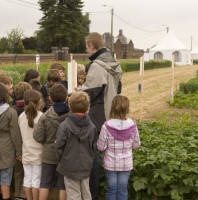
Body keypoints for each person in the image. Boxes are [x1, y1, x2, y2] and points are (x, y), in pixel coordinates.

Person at [82, 32, 122, 200]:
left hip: (98, 116)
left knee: (92, 155)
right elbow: (118, 90)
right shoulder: (115, 63)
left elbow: (90, 94)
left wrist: (77, 92)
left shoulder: (97, 65)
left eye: (87, 47)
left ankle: (92, 194)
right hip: (112, 113)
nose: (87, 50)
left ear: (91, 45)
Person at [97, 95, 141, 200]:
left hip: (110, 164)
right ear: (127, 109)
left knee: (111, 190)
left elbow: (101, 147)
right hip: (126, 164)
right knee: (122, 190)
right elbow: (136, 145)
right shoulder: (132, 126)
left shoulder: (106, 126)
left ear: (113, 107)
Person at [55, 91, 97, 200]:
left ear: (70, 106)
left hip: (69, 166)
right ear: (88, 107)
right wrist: (89, 160)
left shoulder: (64, 126)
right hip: (85, 165)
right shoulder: (92, 126)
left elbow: (59, 146)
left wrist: (62, 160)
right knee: (86, 193)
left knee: (73, 194)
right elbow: (93, 148)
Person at [33, 84, 69, 200]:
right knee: (63, 185)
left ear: (50, 98)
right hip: (65, 154)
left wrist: (46, 142)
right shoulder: (70, 115)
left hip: (48, 154)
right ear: (66, 97)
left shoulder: (45, 116)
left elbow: (37, 136)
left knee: (45, 183)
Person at [0, 83, 22, 200]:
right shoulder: (10, 112)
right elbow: (15, 134)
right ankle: (6, 197)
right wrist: (19, 151)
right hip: (7, 147)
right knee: (6, 177)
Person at [19, 89, 43, 200]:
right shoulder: (41, 117)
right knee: (36, 180)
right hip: (38, 154)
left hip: (26, 153)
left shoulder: (21, 117)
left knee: (27, 179)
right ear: (39, 102)